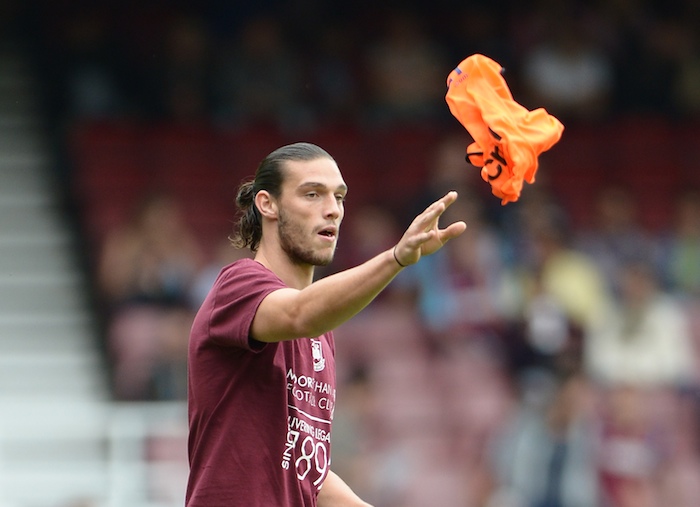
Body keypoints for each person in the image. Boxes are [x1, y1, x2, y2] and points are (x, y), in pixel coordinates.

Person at [185, 142, 466, 506]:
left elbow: (308, 474)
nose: (332, 210)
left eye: (339, 197)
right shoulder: (238, 285)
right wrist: (396, 258)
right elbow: (298, 313)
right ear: (267, 204)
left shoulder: (321, 331)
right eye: (312, 194)